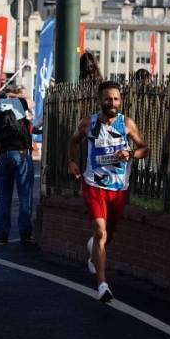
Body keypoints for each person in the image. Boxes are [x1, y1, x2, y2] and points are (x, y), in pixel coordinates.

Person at [66, 80, 148, 303]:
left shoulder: (127, 124)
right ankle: (102, 285)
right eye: (107, 99)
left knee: (108, 234)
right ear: (99, 100)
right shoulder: (89, 123)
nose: (112, 103)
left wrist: (130, 154)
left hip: (119, 186)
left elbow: (144, 148)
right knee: (100, 231)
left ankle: (94, 250)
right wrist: (71, 162)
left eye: (116, 99)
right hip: (94, 184)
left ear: (120, 101)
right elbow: (73, 141)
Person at [0, 84, 35, 244]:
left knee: (4, 196)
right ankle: (25, 233)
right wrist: (15, 96)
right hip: (21, 153)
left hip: (3, 155)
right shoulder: (15, 103)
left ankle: (3, 234)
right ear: (6, 96)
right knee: (25, 195)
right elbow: (32, 102)